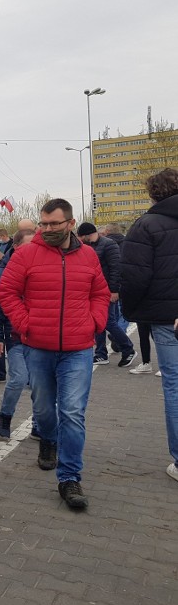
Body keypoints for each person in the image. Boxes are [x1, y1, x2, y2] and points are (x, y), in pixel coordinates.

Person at [0, 198, 110, 509]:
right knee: (45, 409)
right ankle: (47, 440)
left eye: (54, 224)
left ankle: (70, 477)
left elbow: (100, 292)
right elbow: (6, 291)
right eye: (43, 224)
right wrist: (25, 323)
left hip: (78, 349)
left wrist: (95, 322)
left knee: (72, 412)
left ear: (70, 224)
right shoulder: (26, 254)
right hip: (39, 347)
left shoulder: (88, 256)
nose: (47, 230)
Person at [120, 168, 178, 483]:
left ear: (153, 193)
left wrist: (132, 310)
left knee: (174, 386)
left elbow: (134, 276)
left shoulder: (146, 226)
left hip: (167, 319)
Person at [0, 229, 37, 439]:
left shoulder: (42, 268)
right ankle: (5, 414)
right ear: (16, 246)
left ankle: (39, 424)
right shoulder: (0, 273)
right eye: (28, 245)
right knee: (18, 378)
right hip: (15, 336)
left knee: (40, 385)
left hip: (41, 337)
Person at [76, 222, 136, 367]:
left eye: (81, 236)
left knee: (108, 321)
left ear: (87, 235)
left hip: (107, 291)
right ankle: (101, 354)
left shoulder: (109, 245)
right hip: (94, 291)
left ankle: (128, 348)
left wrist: (114, 290)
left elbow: (116, 268)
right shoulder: (89, 246)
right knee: (98, 322)